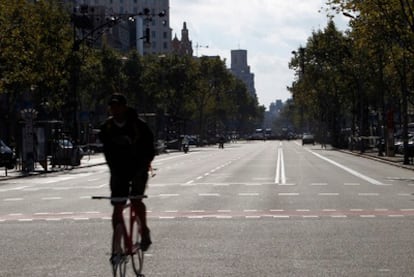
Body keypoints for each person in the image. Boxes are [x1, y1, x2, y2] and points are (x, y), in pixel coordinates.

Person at [99, 93, 155, 251]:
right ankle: (119, 243)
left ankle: (144, 230)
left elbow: (149, 148)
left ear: (124, 107)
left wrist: (144, 166)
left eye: (117, 106)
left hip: (138, 168)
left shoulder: (138, 125)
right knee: (117, 205)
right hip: (118, 171)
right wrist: (113, 169)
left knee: (136, 200)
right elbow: (107, 151)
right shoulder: (107, 128)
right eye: (111, 107)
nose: (114, 110)